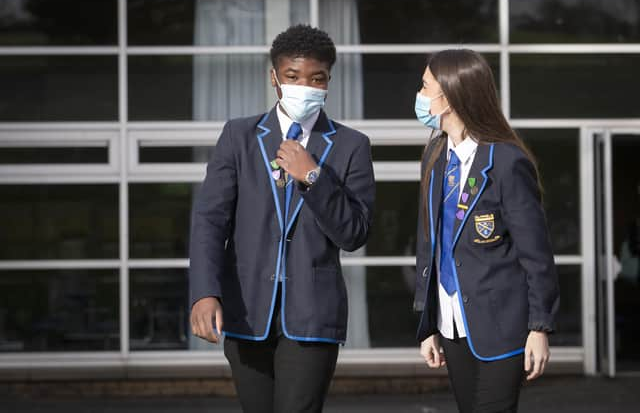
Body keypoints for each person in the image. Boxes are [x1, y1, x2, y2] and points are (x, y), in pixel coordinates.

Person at [188, 24, 375, 413]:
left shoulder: (351, 145)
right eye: (293, 76)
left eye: (316, 79)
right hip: (246, 311)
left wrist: (313, 176)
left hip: (312, 316)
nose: (304, 86)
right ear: (274, 78)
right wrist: (205, 292)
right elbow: (210, 221)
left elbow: (354, 233)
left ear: (328, 82)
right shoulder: (239, 136)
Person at [413, 49, 560, 413]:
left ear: (448, 96)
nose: (419, 94)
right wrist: (428, 322)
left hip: (501, 322)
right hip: (451, 323)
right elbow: (429, 245)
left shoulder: (506, 161)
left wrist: (539, 328)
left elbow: (535, 252)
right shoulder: (435, 156)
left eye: (425, 86)